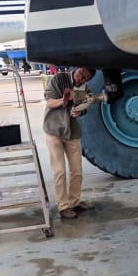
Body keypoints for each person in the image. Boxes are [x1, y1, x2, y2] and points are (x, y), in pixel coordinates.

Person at [42, 66, 95, 219]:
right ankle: (63, 206)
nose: (81, 78)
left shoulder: (86, 89)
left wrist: (78, 111)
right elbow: (50, 102)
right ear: (77, 69)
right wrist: (65, 99)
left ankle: (75, 202)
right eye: (80, 73)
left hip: (72, 132)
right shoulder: (60, 78)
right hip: (53, 130)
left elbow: (84, 108)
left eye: (85, 78)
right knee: (59, 171)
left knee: (77, 171)